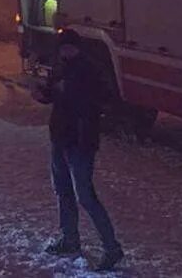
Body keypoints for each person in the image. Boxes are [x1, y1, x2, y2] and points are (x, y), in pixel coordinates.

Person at [33, 31, 124, 271]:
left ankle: (112, 247)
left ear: (77, 48)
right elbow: (56, 94)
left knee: (85, 195)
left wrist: (68, 90)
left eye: (69, 48)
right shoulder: (61, 67)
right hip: (61, 137)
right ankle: (69, 238)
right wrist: (45, 93)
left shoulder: (90, 69)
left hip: (81, 140)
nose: (66, 52)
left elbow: (103, 98)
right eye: (63, 48)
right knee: (62, 190)